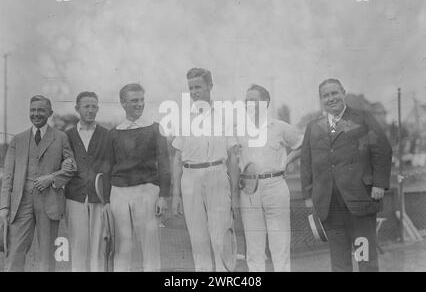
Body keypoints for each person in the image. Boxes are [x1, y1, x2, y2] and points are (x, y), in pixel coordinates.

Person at [300, 78, 392, 272]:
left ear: (343, 93)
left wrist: (378, 184)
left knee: (365, 256)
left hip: (360, 198)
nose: (331, 98)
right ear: (321, 99)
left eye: (335, 93)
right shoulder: (313, 126)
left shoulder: (363, 118)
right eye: (326, 95)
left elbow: (382, 150)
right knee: (339, 261)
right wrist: (308, 195)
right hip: (329, 203)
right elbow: (306, 162)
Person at [171, 68, 239, 272]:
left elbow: (233, 157)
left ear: (210, 86)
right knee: (197, 236)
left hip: (217, 174)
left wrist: (234, 194)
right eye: (190, 88)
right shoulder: (183, 118)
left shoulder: (224, 116)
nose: (194, 92)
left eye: (198, 86)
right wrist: (176, 195)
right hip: (190, 178)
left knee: (221, 235)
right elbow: (176, 159)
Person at [0, 95, 76, 271]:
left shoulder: (61, 137)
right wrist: (4, 207)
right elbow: (8, 176)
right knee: (14, 252)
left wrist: (51, 178)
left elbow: (71, 168)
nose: (36, 114)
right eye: (33, 110)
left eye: (41, 110)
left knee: (47, 256)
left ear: (50, 112)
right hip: (20, 203)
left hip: (49, 201)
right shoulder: (17, 139)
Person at [103, 83, 170, 271]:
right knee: (122, 247)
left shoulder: (155, 129)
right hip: (118, 193)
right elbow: (107, 168)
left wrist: (163, 196)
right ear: (123, 103)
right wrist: (108, 200)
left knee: (149, 246)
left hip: (146, 191)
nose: (139, 104)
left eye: (141, 100)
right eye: (134, 101)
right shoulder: (114, 133)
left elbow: (164, 164)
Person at [236, 84, 302, 272]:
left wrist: (286, 162)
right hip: (249, 189)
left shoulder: (280, 127)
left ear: (266, 103)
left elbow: (301, 145)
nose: (249, 104)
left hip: (275, 186)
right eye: (246, 100)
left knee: (279, 245)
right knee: (254, 247)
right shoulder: (239, 129)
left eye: (253, 100)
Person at [65, 91, 109, 271]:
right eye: (86, 106)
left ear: (98, 109)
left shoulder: (107, 134)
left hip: (98, 198)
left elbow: (110, 167)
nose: (91, 110)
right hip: (74, 198)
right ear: (77, 108)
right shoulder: (66, 135)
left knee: (98, 248)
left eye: (94, 107)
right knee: (77, 247)